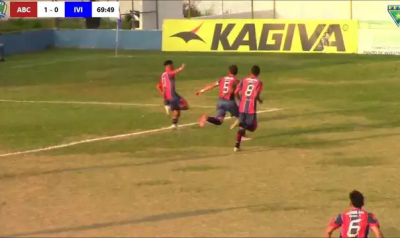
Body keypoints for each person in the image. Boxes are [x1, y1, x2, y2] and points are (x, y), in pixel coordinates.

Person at [196, 65, 241, 129]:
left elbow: (211, 86)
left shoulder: (222, 79)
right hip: (229, 102)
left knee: (219, 121)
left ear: (229, 71)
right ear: (236, 72)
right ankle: (241, 135)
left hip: (220, 102)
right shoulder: (236, 81)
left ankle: (207, 117)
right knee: (242, 117)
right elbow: (238, 92)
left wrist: (201, 90)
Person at [234, 65, 263, 152]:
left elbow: (236, 92)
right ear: (258, 73)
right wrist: (259, 100)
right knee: (253, 127)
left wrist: (240, 99)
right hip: (250, 107)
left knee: (243, 124)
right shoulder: (259, 82)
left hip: (242, 106)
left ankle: (236, 146)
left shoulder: (244, 80)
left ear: (251, 71)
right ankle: (241, 128)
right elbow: (255, 95)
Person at [157, 60, 189, 129]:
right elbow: (173, 72)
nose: (173, 66)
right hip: (172, 95)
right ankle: (170, 107)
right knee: (185, 106)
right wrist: (181, 68)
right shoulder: (169, 73)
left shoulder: (163, 75)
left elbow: (158, 86)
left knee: (177, 110)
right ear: (169, 66)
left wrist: (164, 96)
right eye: (172, 65)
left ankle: (174, 124)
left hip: (167, 96)